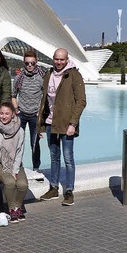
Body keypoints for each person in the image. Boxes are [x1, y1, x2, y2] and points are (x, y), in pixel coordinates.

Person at [38, 48, 87, 206]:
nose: (59, 62)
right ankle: (53, 188)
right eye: (56, 59)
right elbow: (43, 100)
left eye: (62, 59)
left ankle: (69, 191)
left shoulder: (73, 75)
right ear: (53, 59)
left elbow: (81, 101)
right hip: (50, 123)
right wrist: (40, 125)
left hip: (67, 124)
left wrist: (73, 123)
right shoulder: (49, 74)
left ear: (67, 59)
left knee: (68, 158)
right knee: (54, 157)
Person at [0, 102, 28, 223]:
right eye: (1, 113)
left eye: (7, 114)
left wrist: (15, 170)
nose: (3, 116)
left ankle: (17, 206)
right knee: (10, 182)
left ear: (13, 114)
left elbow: (19, 152)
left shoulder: (19, 131)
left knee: (22, 185)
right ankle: (12, 209)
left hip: (14, 162)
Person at [12, 50, 46, 172]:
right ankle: (17, 166)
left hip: (35, 115)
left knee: (35, 143)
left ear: (36, 62)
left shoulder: (42, 77)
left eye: (32, 63)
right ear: (24, 63)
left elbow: (46, 95)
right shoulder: (19, 78)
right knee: (18, 141)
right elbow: (13, 95)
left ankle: (36, 168)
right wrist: (16, 109)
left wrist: (41, 112)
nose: (30, 66)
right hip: (22, 114)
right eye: (27, 63)